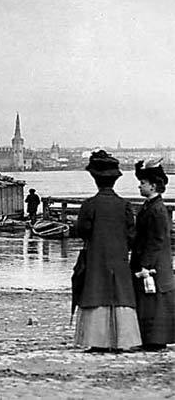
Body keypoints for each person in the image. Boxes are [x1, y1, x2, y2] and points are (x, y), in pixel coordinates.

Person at [73, 150, 140, 353]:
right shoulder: (125, 205)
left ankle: (98, 341)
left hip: (96, 256)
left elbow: (82, 230)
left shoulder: (89, 205)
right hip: (119, 257)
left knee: (95, 291)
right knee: (120, 294)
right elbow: (131, 235)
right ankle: (122, 340)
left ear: (95, 180)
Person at [131, 159, 175, 351]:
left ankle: (155, 340)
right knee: (151, 301)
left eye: (143, 183)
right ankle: (151, 339)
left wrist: (146, 264)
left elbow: (157, 240)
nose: (140, 185)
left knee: (154, 302)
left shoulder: (156, 209)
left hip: (154, 263)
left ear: (153, 185)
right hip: (154, 261)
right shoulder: (153, 205)